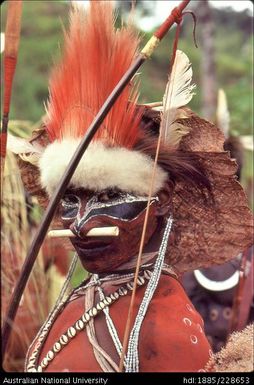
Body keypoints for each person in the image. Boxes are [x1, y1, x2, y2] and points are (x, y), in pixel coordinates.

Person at [8, 2, 253, 372]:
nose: (79, 224)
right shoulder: (95, 294)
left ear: (162, 199)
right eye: (70, 199)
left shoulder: (164, 331)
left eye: (109, 196)